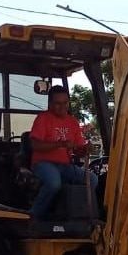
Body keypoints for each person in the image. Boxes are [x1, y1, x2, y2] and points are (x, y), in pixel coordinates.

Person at [28, 85, 98, 220]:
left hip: (65, 166)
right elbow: (35, 145)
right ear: (50, 104)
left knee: (92, 179)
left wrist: (84, 149)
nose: (63, 107)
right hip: (43, 163)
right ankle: (33, 216)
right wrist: (60, 144)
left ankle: (79, 217)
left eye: (65, 103)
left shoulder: (72, 122)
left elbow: (77, 150)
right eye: (58, 103)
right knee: (54, 183)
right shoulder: (43, 118)